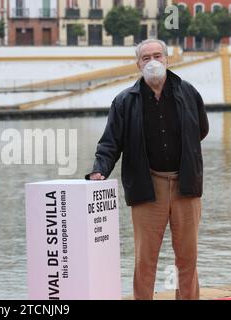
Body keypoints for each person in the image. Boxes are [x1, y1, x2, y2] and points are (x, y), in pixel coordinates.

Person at [85, 39, 208, 300]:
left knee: (188, 258)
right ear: (138, 64)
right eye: (145, 57)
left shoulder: (188, 92)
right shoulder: (124, 101)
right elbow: (110, 143)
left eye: (157, 56)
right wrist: (99, 171)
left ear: (167, 59)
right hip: (147, 186)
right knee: (145, 260)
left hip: (186, 185)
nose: (152, 61)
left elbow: (201, 129)